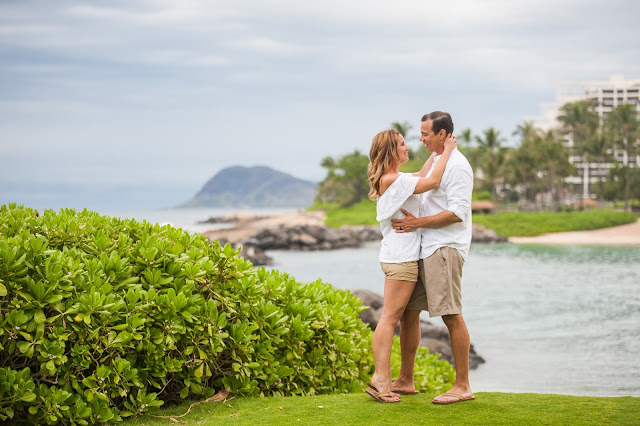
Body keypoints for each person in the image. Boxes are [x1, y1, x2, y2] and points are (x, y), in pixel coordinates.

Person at [365, 127, 457, 403]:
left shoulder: (394, 178)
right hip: (401, 258)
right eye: (403, 144)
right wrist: (448, 151)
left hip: (400, 256)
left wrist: (435, 152)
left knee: (403, 317)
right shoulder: (393, 179)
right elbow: (433, 181)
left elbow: (420, 175)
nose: (408, 147)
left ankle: (400, 379)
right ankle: (381, 379)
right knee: (389, 318)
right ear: (392, 151)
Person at [391, 111, 474, 405]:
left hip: (445, 248)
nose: (421, 139)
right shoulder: (439, 160)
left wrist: (416, 224)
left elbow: (457, 213)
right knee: (408, 314)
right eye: (420, 133)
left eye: (425, 134)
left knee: (451, 314)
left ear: (442, 134)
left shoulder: (458, 166)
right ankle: (405, 379)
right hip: (424, 248)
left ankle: (462, 385)